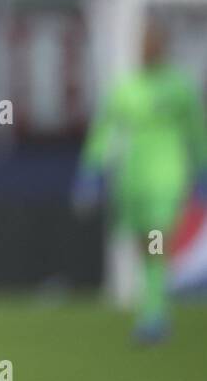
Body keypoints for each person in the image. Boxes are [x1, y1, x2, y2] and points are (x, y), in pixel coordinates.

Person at [73, 18, 207, 344]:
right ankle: (154, 305)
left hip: (168, 175)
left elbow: (196, 131)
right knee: (143, 245)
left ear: (163, 47)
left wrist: (202, 170)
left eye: (154, 42)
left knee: (157, 242)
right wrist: (91, 169)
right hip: (132, 178)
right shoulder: (126, 88)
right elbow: (105, 130)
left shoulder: (180, 88)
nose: (149, 48)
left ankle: (153, 314)